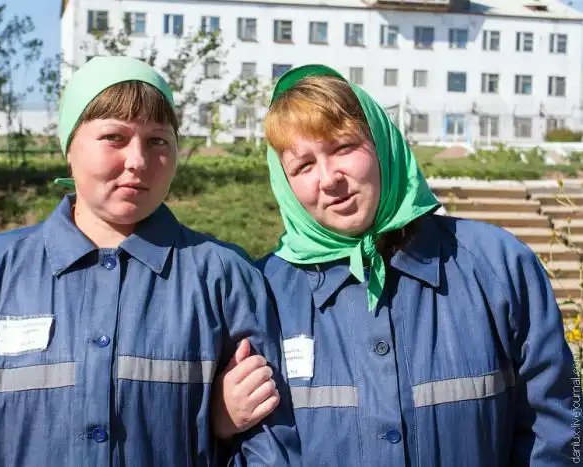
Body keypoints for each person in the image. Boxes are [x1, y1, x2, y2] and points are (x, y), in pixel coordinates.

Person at [0, 56, 298, 466]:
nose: (137, 160)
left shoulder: (224, 277)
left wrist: (216, 426)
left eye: (157, 141)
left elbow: (267, 446)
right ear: (69, 147)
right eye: (114, 137)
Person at [215, 64, 577, 465]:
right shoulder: (263, 292)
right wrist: (218, 421)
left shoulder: (498, 265)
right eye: (303, 166)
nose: (329, 179)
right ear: (284, 183)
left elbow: (560, 425)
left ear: (383, 144)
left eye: (343, 147)